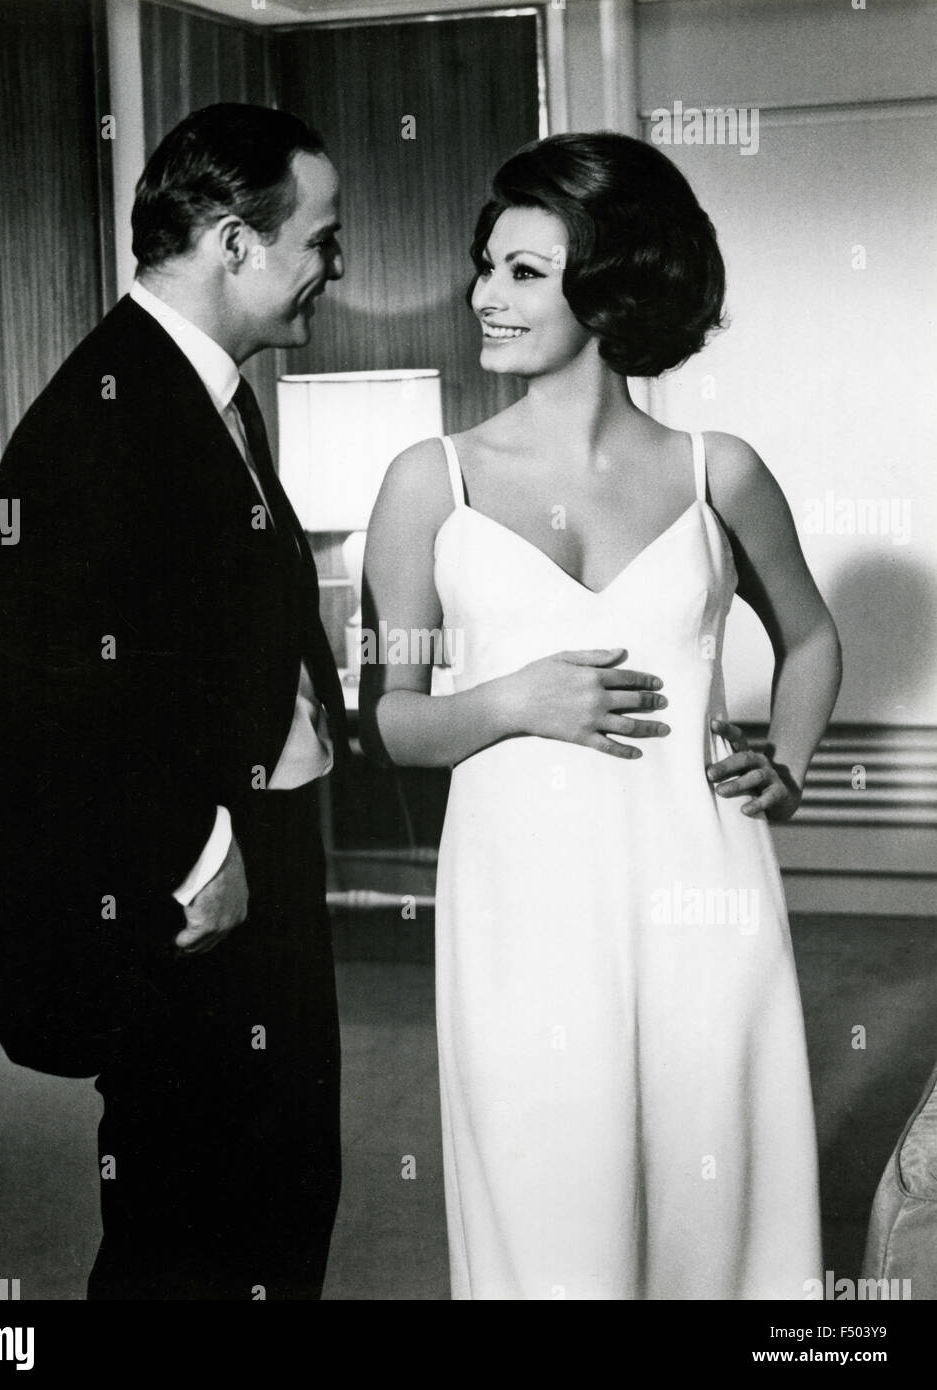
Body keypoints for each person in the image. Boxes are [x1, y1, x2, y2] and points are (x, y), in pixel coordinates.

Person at [360, 131, 841, 1300]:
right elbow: (398, 722)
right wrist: (516, 700)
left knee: (713, 1203)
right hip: (520, 912)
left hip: (703, 892)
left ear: (611, 282)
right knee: (550, 1209)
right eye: (489, 264)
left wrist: (783, 762)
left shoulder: (713, 470)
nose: (485, 293)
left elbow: (812, 637)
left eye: (524, 271)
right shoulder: (432, 482)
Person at [0, 104, 347, 1301]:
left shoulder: (205, 391)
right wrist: (196, 846)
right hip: (185, 902)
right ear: (234, 242)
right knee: (190, 1230)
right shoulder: (105, 415)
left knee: (272, 1199)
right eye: (319, 239)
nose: (335, 265)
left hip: (251, 866)